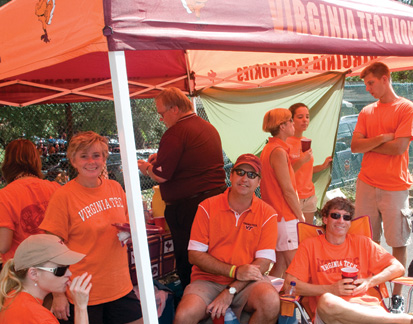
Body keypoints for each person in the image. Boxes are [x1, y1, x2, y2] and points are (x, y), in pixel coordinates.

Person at [285, 197, 413, 324]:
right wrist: (330, 289)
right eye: (335, 215)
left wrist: (370, 281)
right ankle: (405, 320)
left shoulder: (362, 243)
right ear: (325, 219)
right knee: (328, 301)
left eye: (346, 217)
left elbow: (397, 267)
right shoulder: (310, 246)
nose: (341, 220)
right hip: (331, 315)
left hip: (369, 310)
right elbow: (290, 285)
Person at [40, 131, 142, 324]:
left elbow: (128, 224)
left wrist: (129, 232)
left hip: (119, 285)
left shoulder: (115, 188)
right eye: (84, 156)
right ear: (73, 160)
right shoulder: (63, 196)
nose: (91, 161)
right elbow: (50, 249)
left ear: (104, 158)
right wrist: (58, 294)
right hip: (82, 290)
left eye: (96, 155)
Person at [174, 154, 279, 324]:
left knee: (271, 302)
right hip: (207, 281)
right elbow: (194, 255)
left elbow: (263, 264)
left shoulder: (268, 214)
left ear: (259, 182)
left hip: (247, 283)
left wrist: (230, 291)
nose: (245, 178)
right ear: (231, 175)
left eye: (252, 175)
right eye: (240, 172)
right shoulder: (207, 206)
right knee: (183, 316)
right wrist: (234, 271)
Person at [137, 87, 226, 288]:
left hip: (189, 207)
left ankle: (192, 298)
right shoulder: (207, 127)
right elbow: (192, 161)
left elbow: (161, 175)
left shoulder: (176, 131)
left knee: (189, 257)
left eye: (162, 113)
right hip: (214, 200)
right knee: (213, 252)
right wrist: (160, 160)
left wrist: (146, 167)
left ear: (175, 109)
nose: (161, 119)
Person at [350, 62, 413, 313]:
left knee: (397, 242)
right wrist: (380, 138)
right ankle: (373, 292)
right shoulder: (367, 111)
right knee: (367, 242)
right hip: (367, 184)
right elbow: (355, 146)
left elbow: (399, 148)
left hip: (395, 186)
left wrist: (369, 144)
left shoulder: (406, 108)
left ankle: (397, 296)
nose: (368, 88)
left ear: (385, 78)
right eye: (365, 84)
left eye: (370, 83)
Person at [0, 234, 92, 324]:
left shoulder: (12, 295)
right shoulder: (41, 318)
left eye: (68, 267)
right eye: (60, 270)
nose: (69, 274)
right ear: (33, 273)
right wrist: (81, 308)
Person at [260, 108, 305, 278]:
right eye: (291, 121)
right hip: (285, 216)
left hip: (278, 217)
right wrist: (299, 215)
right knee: (295, 268)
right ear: (282, 126)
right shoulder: (277, 151)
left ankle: (269, 300)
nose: (294, 124)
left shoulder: (271, 148)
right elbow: (287, 190)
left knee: (280, 265)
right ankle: (287, 302)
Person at [0, 139, 60, 262]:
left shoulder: (5, 196)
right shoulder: (55, 188)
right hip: (54, 267)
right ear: (36, 160)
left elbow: (3, 245)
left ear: (8, 163)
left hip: (21, 272)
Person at [286, 103, 333, 224]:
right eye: (300, 117)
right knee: (294, 234)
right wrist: (302, 160)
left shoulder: (305, 141)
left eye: (307, 116)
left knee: (307, 232)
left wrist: (322, 166)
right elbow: (285, 173)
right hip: (293, 197)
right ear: (291, 120)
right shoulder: (285, 143)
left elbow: (307, 169)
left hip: (309, 196)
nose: (305, 120)